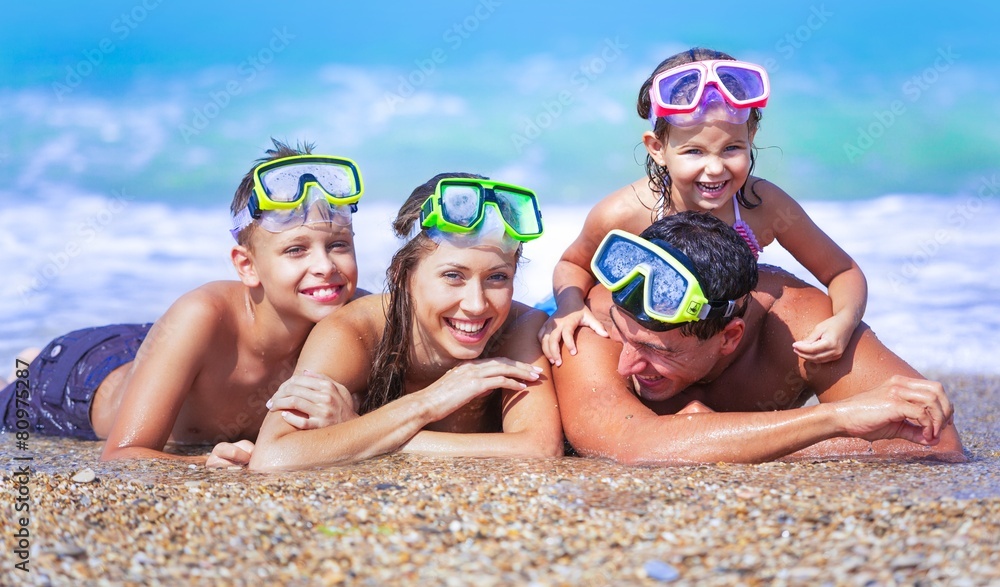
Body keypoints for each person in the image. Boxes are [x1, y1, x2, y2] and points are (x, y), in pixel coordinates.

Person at [1, 141, 367, 465]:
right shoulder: (202, 314)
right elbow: (122, 454)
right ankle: (30, 367)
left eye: (338, 244)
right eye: (296, 249)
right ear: (248, 265)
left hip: (161, 346)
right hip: (79, 381)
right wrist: (203, 463)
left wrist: (351, 424)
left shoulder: (361, 318)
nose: (325, 266)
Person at [552, 211, 965, 465]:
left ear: (730, 337)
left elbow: (936, 442)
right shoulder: (593, 321)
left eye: (656, 351)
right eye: (627, 338)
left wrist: (716, 438)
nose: (625, 366)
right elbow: (632, 444)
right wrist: (834, 420)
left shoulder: (804, 325)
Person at [539, 47, 867, 367]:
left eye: (732, 148)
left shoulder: (762, 206)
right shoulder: (626, 212)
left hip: (693, 340)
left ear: (751, 135)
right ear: (657, 148)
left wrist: (844, 321)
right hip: (628, 331)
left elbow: (841, 271)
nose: (715, 168)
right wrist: (568, 308)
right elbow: (573, 264)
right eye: (694, 152)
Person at [247, 173, 563, 472]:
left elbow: (539, 449)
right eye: (453, 276)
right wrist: (430, 401)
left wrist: (358, 428)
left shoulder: (521, 327)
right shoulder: (353, 332)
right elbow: (274, 456)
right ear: (403, 276)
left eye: (498, 277)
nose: (477, 304)